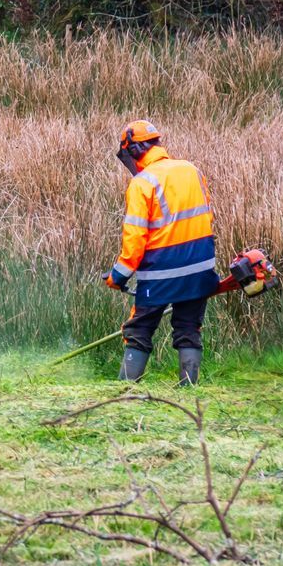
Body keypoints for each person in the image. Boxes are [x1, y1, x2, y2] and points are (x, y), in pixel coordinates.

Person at [104, 120, 218, 386]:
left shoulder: (142, 183)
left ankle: (125, 389)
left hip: (161, 273)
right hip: (201, 269)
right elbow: (208, 215)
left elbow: (134, 238)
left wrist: (117, 277)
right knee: (189, 328)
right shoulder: (191, 170)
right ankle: (190, 388)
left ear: (133, 150)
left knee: (139, 329)